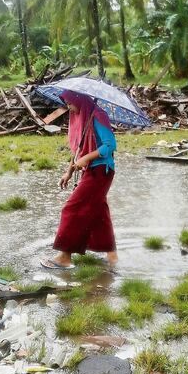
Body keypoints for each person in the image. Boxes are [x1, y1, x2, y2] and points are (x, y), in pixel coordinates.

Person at [41, 90, 118, 270]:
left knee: (72, 208)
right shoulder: (80, 118)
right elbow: (78, 150)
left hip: (101, 170)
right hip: (89, 169)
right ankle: (111, 254)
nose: (68, 107)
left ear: (79, 99)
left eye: (70, 102)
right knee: (99, 212)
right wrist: (68, 172)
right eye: (66, 103)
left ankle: (64, 256)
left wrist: (87, 158)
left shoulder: (98, 115)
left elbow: (110, 145)